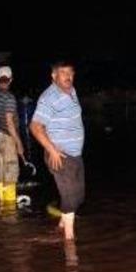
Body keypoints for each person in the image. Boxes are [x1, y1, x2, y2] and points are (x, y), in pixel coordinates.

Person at [30, 60, 85, 240]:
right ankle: (69, 242)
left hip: (75, 155)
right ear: (54, 76)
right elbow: (35, 126)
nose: (68, 76)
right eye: (63, 73)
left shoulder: (72, 91)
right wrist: (52, 150)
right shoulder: (49, 97)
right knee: (69, 198)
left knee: (78, 197)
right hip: (60, 155)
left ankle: (61, 225)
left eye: (71, 72)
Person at [0, 66, 25, 205]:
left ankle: (2, 204)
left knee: (0, 172)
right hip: (7, 137)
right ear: (11, 80)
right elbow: (9, 122)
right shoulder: (9, 97)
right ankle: (10, 209)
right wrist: (19, 143)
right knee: (10, 173)